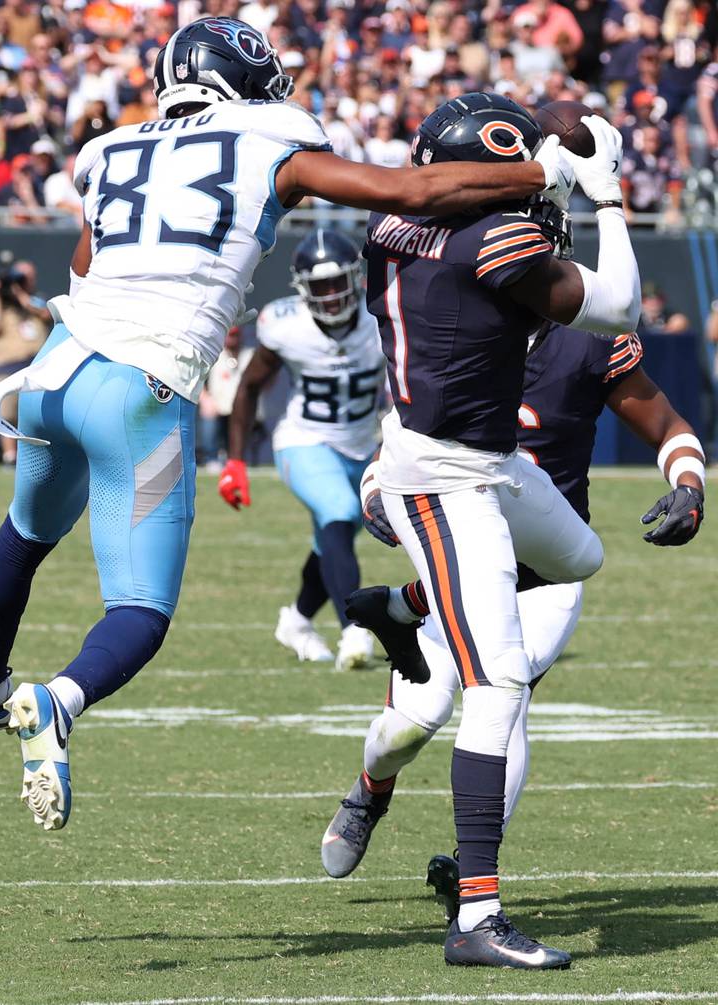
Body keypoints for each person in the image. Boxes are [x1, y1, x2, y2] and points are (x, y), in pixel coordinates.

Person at [0, 17, 575, 835]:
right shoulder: (270, 138)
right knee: (139, 610)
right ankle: (58, 699)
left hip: (57, 374)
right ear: (235, 80)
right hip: (144, 386)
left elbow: (85, 264)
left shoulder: (113, 149)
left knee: (25, 534)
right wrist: (543, 170)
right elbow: (413, 193)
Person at [323, 93, 642, 970]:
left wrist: (538, 154)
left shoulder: (397, 224)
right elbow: (619, 307)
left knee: (579, 553)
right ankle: (475, 914)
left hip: (487, 460)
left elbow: (443, 198)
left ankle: (407, 606)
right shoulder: (493, 242)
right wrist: (605, 191)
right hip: (446, 477)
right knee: (498, 682)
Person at [325, 327, 705, 921]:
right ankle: (370, 792)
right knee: (409, 727)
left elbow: (667, 425)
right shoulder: (447, 333)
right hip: (461, 563)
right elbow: (394, 446)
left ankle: (471, 869)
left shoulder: (585, 346)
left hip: (546, 579)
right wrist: (376, 490)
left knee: (505, 693)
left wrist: (690, 484)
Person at [219, 228, 383, 671]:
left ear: (357, 278)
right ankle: (355, 629)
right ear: (301, 288)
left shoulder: (383, 318)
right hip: (303, 440)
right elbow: (249, 387)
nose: (330, 296)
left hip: (364, 444)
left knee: (331, 539)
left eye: (337, 283)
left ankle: (296, 620)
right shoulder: (286, 325)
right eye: (319, 286)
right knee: (340, 512)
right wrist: (235, 460)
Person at [0, 257, 52, 464]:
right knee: (7, 412)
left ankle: (38, 457)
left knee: (36, 414)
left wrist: (21, 294)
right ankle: (10, 456)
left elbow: (45, 314)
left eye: (27, 277)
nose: (23, 280)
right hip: (8, 365)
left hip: (36, 366)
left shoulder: (36, 299)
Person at [199, 325, 254, 472]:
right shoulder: (213, 354)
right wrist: (205, 399)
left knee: (243, 422)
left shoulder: (249, 354)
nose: (232, 338)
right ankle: (212, 458)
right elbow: (198, 379)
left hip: (240, 406)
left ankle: (236, 458)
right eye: (229, 335)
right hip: (217, 405)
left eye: (235, 335)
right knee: (209, 418)